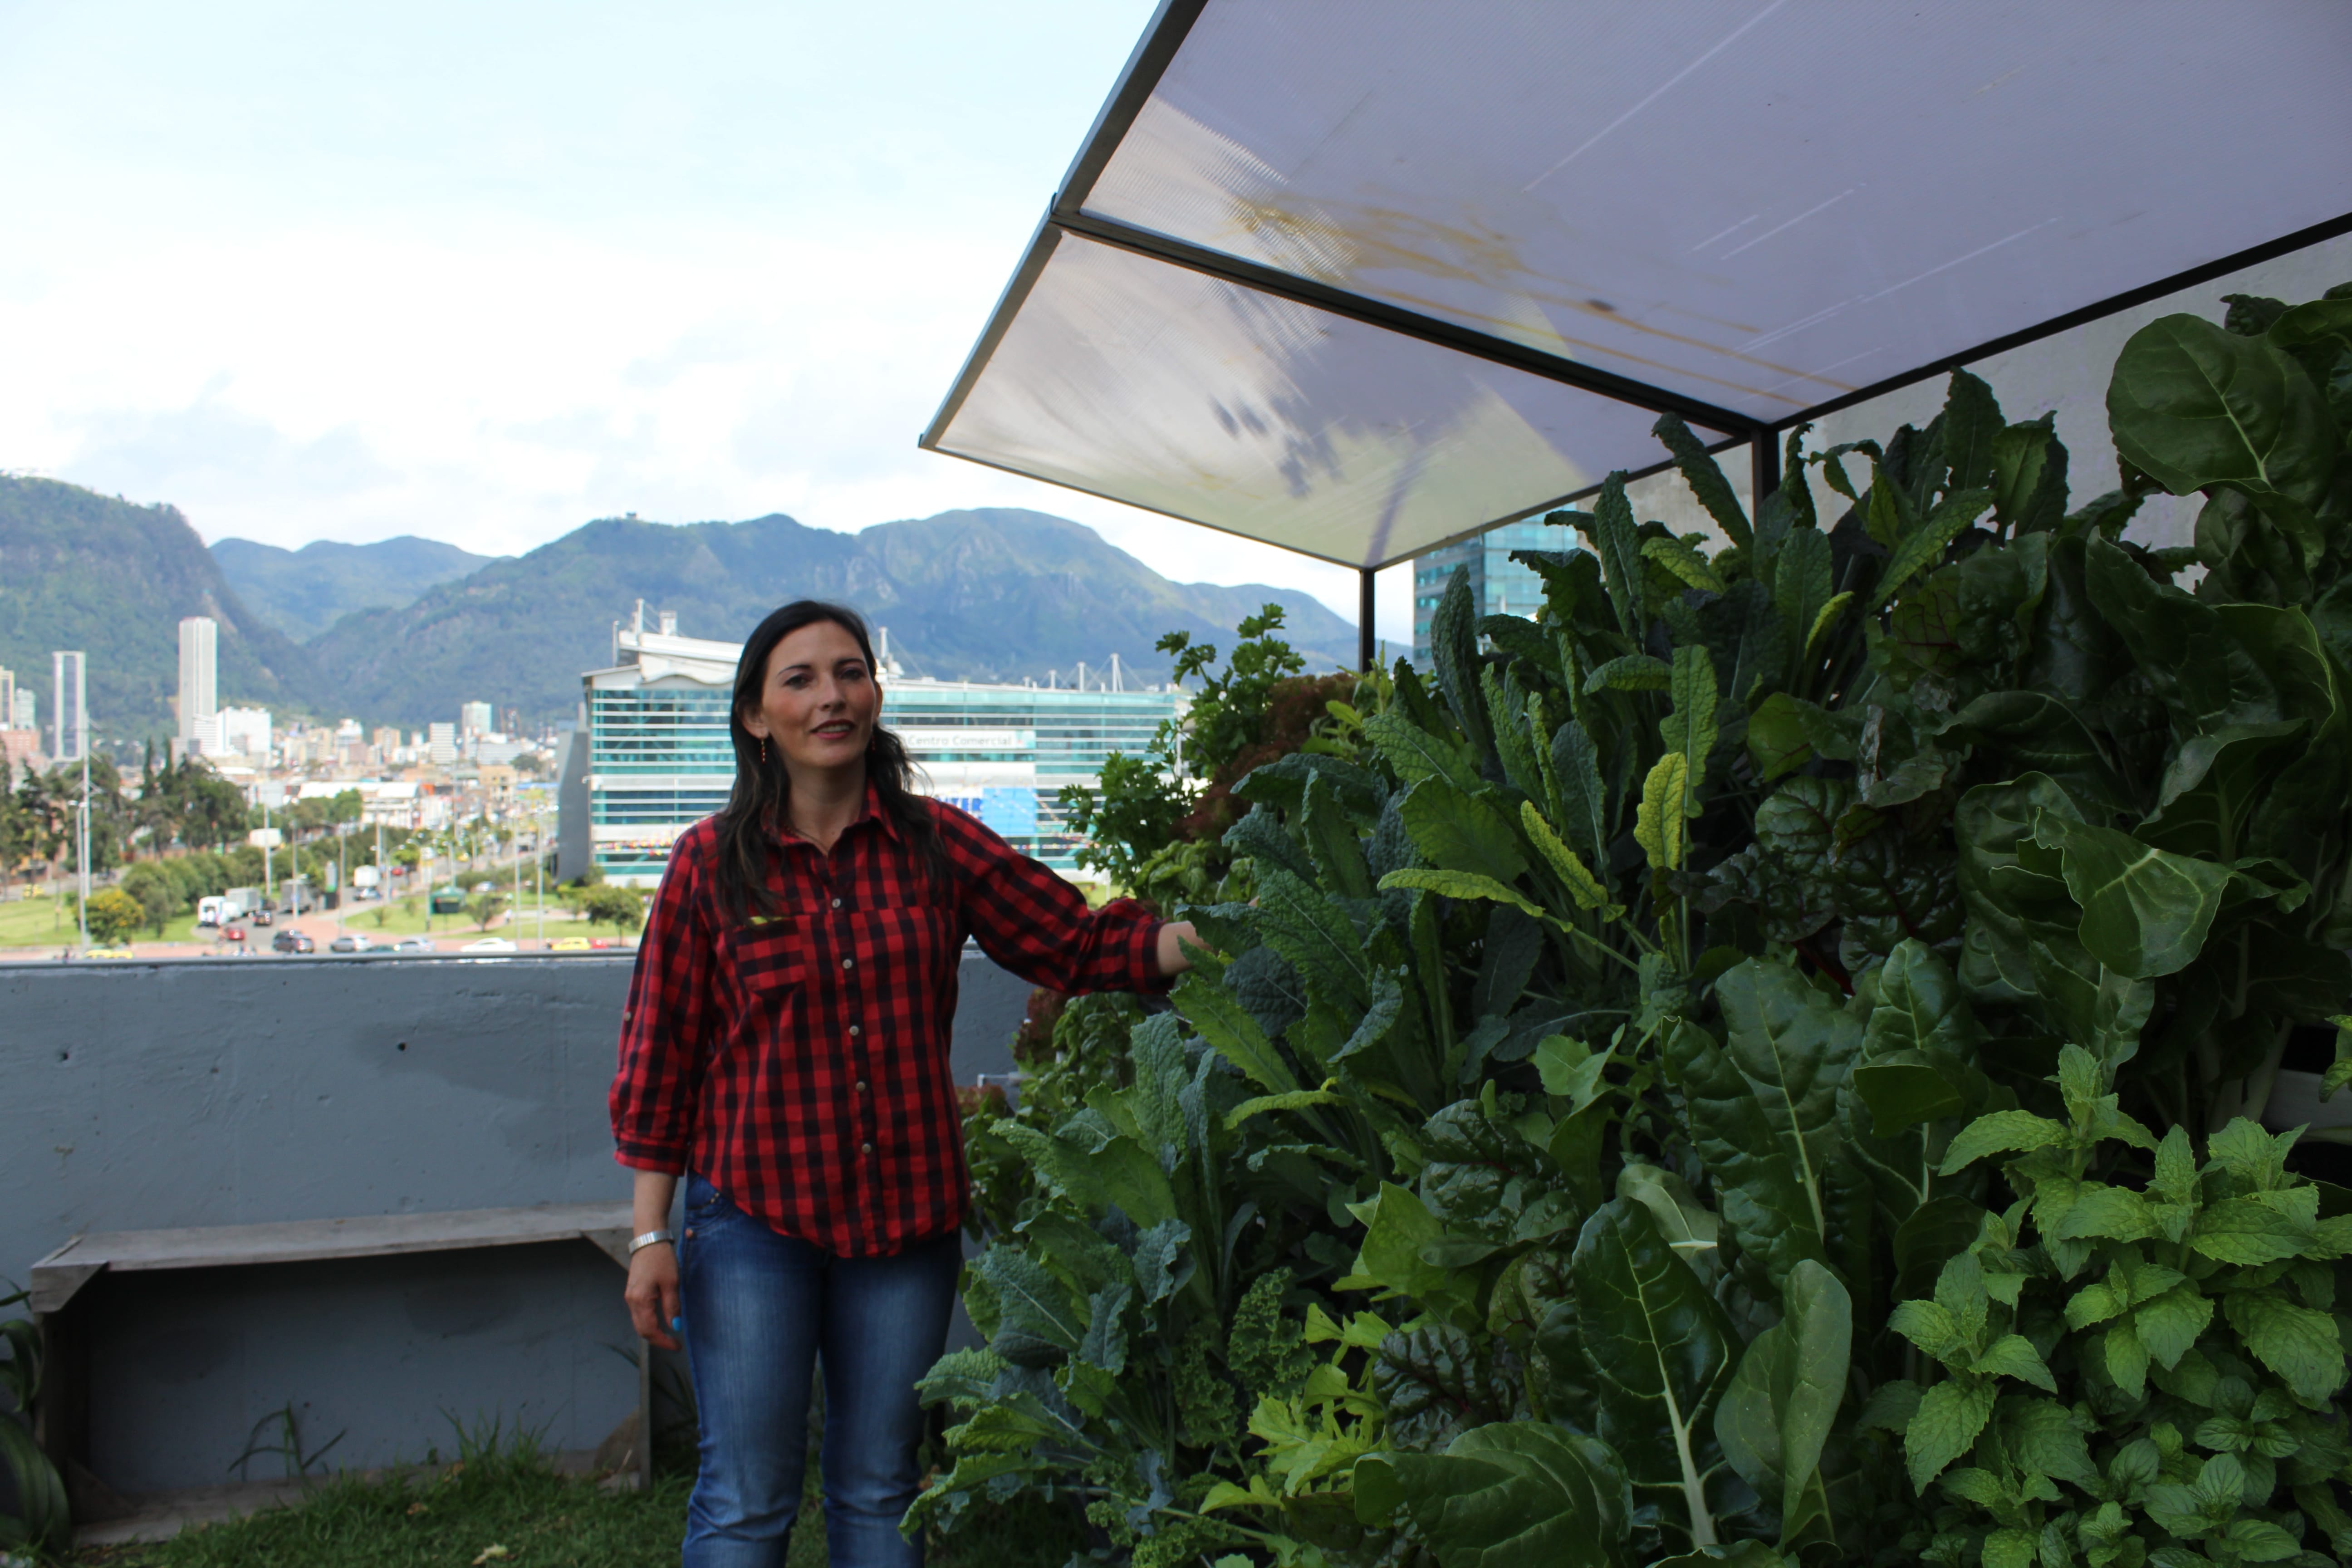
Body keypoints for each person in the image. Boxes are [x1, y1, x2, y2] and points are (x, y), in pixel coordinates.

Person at [610, 601, 1195, 1568]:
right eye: (799, 679)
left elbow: (1078, 941)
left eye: (851, 672)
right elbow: (658, 1058)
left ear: (876, 697)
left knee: (882, 1484)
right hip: (755, 1216)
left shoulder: (937, 847)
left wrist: (1210, 935)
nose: (832, 695)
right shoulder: (709, 866)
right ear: (757, 718)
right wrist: (646, 1235)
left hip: (904, 1221)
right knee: (745, 1499)